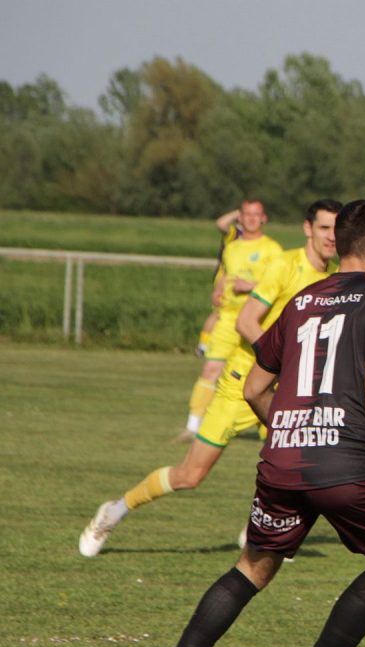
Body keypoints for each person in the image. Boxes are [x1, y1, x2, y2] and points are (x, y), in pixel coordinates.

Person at [153, 200, 365, 647]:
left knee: (251, 567)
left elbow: (254, 388)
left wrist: (293, 430)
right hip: (347, 464)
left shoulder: (302, 300)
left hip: (283, 460)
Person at [79, 199, 343, 558]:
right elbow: (246, 322)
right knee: (190, 475)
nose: (332, 237)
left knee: (302, 464)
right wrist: (283, 359)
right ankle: (114, 511)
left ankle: (259, 532)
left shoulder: (335, 279)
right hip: (243, 384)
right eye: (325, 228)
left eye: (337, 229)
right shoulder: (285, 265)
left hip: (286, 389)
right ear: (308, 228)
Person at [176, 199, 282, 442]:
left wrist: (251, 286)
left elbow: (278, 284)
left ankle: (270, 427)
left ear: (264, 218)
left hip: (256, 321)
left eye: (256, 214)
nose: (252, 219)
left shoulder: (272, 249)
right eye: (247, 214)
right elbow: (227, 274)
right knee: (211, 369)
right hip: (228, 319)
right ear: (240, 218)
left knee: (263, 376)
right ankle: (193, 426)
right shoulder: (232, 247)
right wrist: (219, 289)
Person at [194, 208, 245, 358]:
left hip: (243, 280)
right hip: (226, 278)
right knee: (219, 312)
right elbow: (221, 223)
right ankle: (203, 345)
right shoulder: (235, 232)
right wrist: (238, 212)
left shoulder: (257, 239)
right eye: (247, 215)